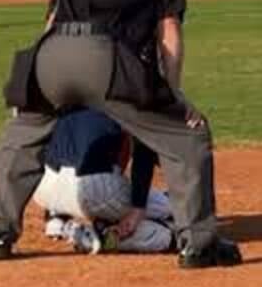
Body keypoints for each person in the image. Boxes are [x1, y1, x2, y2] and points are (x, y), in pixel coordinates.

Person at [0, 0, 240, 268]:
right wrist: (171, 94)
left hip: (53, 53)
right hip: (107, 60)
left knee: (21, 136)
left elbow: (50, 22)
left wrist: (34, 83)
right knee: (189, 137)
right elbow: (168, 31)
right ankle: (199, 243)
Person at [33, 107, 177, 255]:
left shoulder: (71, 91)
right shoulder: (125, 95)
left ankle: (56, 218)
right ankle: (100, 237)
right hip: (95, 188)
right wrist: (138, 208)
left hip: (43, 186)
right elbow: (143, 155)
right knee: (171, 217)